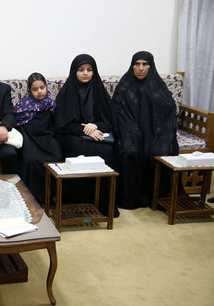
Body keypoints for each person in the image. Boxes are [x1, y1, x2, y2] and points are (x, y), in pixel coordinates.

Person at [113, 51, 180, 209]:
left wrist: (157, 133)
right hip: (130, 131)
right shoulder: (125, 85)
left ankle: (157, 197)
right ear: (132, 66)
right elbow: (118, 111)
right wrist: (133, 131)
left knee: (160, 151)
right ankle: (132, 198)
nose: (141, 68)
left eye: (145, 64)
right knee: (130, 150)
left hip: (156, 132)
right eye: (137, 64)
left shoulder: (157, 85)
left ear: (151, 66)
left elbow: (168, 111)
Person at [55, 54, 118, 217]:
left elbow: (110, 119)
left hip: (96, 132)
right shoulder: (65, 93)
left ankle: (103, 205)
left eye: (89, 70)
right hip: (72, 135)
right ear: (74, 71)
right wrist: (86, 130)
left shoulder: (99, 91)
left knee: (107, 152)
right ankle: (75, 202)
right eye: (81, 70)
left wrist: (95, 126)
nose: (85, 73)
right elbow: (62, 124)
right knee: (78, 149)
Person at [14, 72, 62, 202]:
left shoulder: (50, 104)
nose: (39, 92)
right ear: (29, 90)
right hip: (30, 140)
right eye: (35, 89)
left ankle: (50, 196)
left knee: (57, 157)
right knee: (31, 160)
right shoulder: (23, 106)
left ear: (46, 87)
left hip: (47, 139)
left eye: (42, 87)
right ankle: (33, 197)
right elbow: (18, 125)